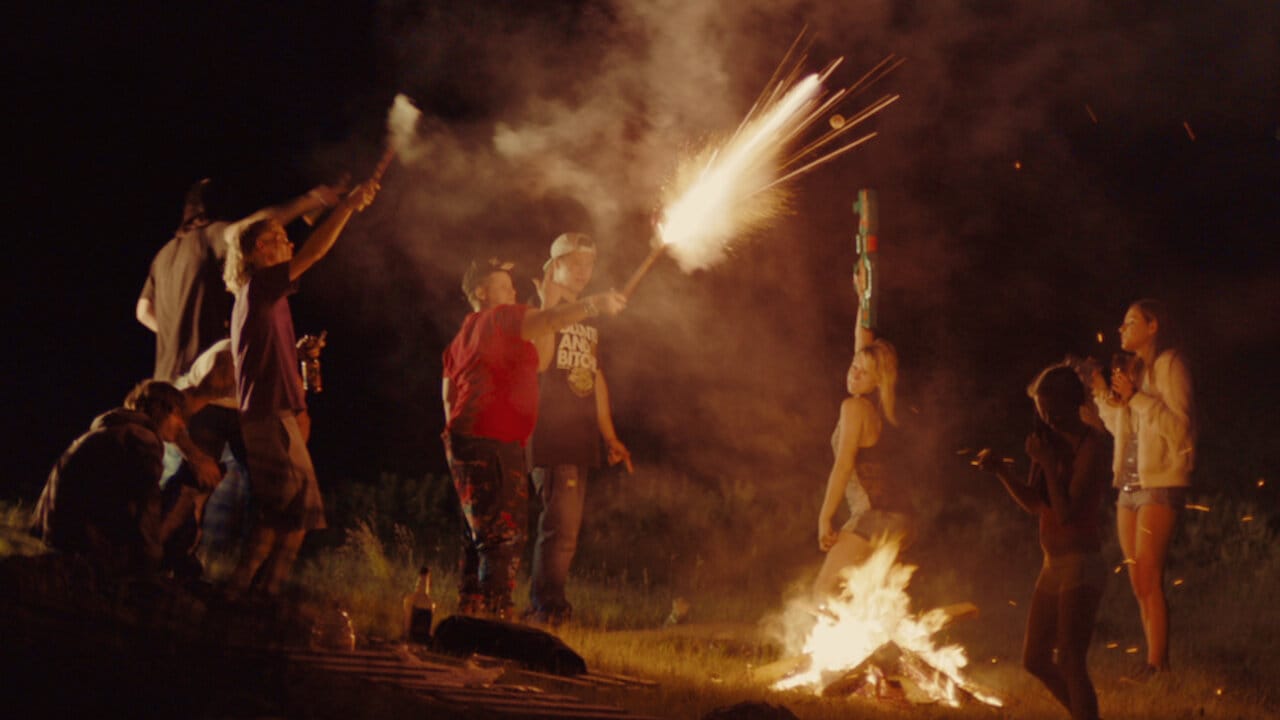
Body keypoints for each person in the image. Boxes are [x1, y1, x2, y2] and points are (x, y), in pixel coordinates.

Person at [442, 257, 625, 619]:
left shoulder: (467, 333)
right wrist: (591, 304)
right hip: (490, 439)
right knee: (503, 534)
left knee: (479, 533)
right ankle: (495, 620)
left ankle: (470, 613)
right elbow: (547, 322)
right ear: (481, 291)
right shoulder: (497, 317)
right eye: (503, 283)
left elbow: (540, 359)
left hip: (472, 440)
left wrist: (548, 306)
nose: (512, 290)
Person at [222, 179, 381, 598]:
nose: (287, 242)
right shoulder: (258, 286)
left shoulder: (266, 298)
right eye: (277, 238)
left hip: (278, 416)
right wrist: (346, 207)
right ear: (258, 252)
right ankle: (236, 595)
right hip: (268, 416)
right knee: (279, 514)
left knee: (301, 516)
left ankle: (266, 596)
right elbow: (315, 252)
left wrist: (298, 354)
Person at [978, 364, 1111, 720]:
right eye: (1042, 409)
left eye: (1053, 408)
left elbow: (1067, 512)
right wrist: (1003, 472)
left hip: (1082, 564)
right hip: (1053, 565)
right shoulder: (1047, 444)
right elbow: (1038, 504)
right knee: (1035, 659)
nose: (1048, 418)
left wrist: (1049, 464)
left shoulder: (1091, 447)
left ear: (1075, 403)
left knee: (1070, 658)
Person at [137, 177, 347, 382]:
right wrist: (311, 199)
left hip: (164, 383)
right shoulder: (210, 235)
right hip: (204, 380)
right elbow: (247, 229)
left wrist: (176, 331)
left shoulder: (162, 256)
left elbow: (143, 312)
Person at [525, 233, 633, 626]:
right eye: (578, 263)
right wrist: (551, 303)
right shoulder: (544, 312)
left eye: (591, 264)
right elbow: (539, 363)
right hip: (553, 434)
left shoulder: (587, 319)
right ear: (556, 266)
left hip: (581, 436)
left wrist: (609, 435)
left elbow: (595, 374)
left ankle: (547, 604)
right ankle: (546, 608)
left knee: (566, 528)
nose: (587, 272)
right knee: (559, 528)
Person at [1086, 299, 1195, 677]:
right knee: (1137, 581)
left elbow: (1181, 431)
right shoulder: (1132, 370)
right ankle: (1154, 661)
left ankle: (1157, 665)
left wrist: (1137, 397)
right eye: (1121, 322)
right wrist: (1103, 395)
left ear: (1153, 326)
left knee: (1149, 573)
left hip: (1161, 484)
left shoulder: (1170, 365)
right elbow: (1124, 431)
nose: (1121, 328)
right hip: (1128, 488)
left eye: (1130, 321)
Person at [31, 381, 191, 575]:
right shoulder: (142, 439)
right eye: (179, 415)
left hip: (60, 533)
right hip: (87, 541)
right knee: (183, 492)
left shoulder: (110, 431)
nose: (183, 425)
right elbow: (147, 501)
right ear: (162, 410)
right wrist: (151, 559)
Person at [812, 269, 907, 597]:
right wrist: (863, 298)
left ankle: (820, 650)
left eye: (864, 373)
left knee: (823, 593)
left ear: (876, 382)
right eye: (854, 365)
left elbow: (843, 465)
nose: (854, 373)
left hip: (874, 516)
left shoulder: (854, 408)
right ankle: (894, 648)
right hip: (895, 518)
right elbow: (862, 344)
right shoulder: (877, 407)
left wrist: (825, 518)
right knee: (858, 603)